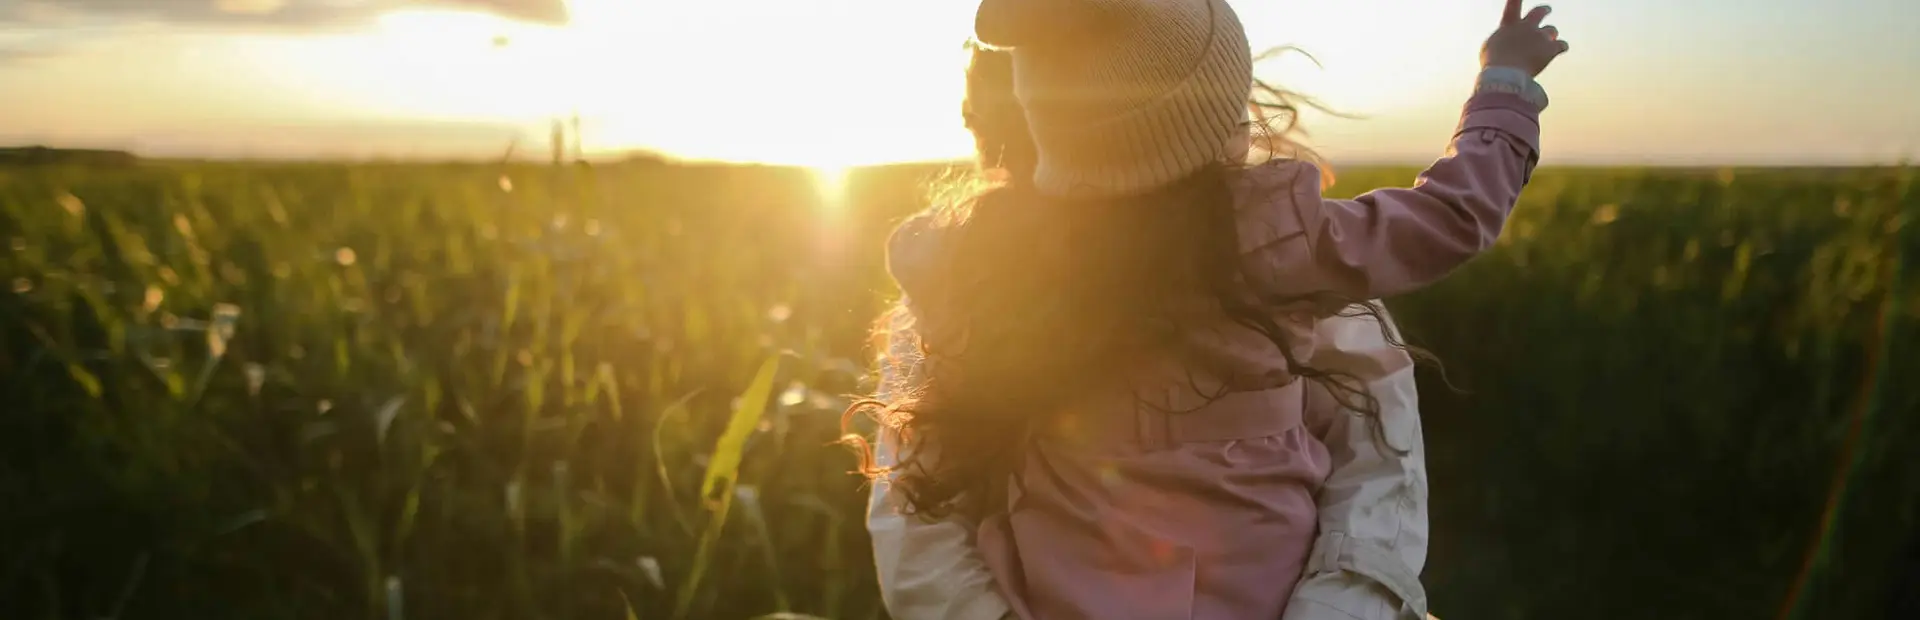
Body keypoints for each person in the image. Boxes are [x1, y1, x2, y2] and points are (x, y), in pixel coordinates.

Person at [850, 0, 1567, 618]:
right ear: (1223, 112)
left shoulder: (986, 268)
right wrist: (1502, 84)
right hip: (1265, 588)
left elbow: (921, 527)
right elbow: (1452, 216)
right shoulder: (1282, 241)